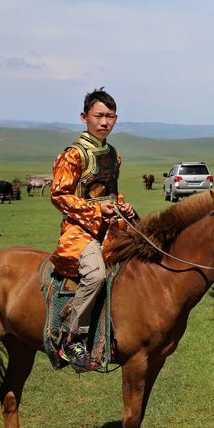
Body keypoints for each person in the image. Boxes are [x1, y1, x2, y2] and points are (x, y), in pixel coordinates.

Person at [50, 87, 137, 370]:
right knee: (96, 274)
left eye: (110, 117)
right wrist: (96, 210)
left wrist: (123, 207)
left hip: (112, 227)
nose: (104, 122)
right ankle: (70, 338)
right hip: (79, 230)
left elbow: (111, 192)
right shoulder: (73, 155)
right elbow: (60, 195)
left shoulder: (113, 154)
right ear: (84, 117)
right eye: (99, 115)